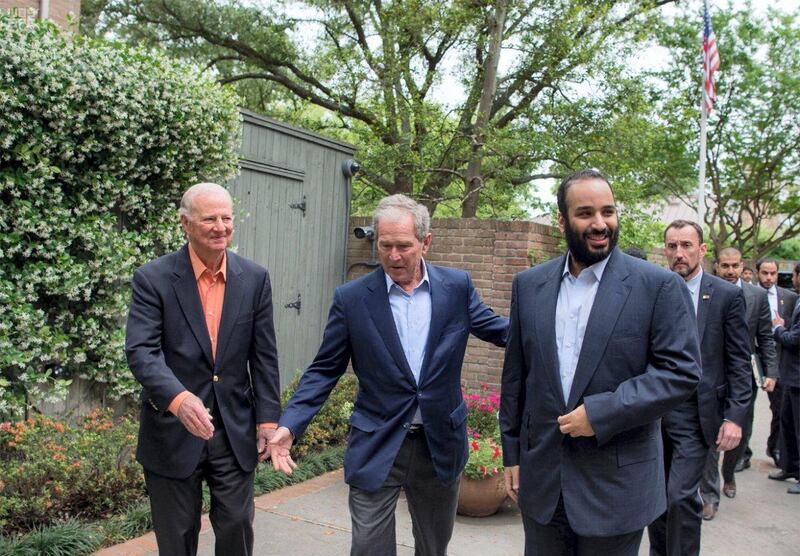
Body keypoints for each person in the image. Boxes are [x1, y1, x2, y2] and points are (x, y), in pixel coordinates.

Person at [269, 194, 508, 556]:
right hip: (377, 441)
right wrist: (290, 424)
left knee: (434, 546)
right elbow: (323, 370)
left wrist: (551, 329)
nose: (394, 256)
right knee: (368, 548)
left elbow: (501, 331)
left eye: (404, 246)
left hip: (439, 443)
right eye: (385, 246)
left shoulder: (456, 288)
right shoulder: (352, 299)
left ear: (425, 243)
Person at [500, 169, 701, 556]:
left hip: (617, 490)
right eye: (585, 213)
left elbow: (681, 372)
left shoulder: (657, 286)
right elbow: (517, 378)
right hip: (544, 486)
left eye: (608, 212)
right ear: (562, 220)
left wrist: (602, 411)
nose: (599, 224)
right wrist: (513, 454)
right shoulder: (529, 286)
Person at [125, 183, 281, 556]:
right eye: (210, 218)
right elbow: (142, 351)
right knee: (177, 537)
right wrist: (178, 400)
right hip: (172, 431)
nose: (221, 227)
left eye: (227, 218)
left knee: (237, 528)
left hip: (234, 432)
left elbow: (264, 356)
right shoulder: (153, 279)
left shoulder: (254, 278)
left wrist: (268, 421)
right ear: (185, 223)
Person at [649, 221, 751, 552]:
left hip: (696, 415)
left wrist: (735, 417)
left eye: (686, 245)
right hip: (654, 412)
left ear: (702, 249)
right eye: (672, 246)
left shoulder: (725, 296)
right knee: (657, 499)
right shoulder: (654, 289)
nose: (679, 253)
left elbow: (738, 361)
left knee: (680, 496)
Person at [700, 247, 776, 514]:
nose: (730, 271)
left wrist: (772, 373)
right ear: (716, 267)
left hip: (744, 373)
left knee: (739, 430)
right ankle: (709, 494)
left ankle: (729, 473)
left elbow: (765, 337)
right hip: (711, 374)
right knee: (709, 433)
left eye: (734, 266)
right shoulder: (705, 291)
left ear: (742, 265)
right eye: (724, 266)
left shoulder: (756, 295)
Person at [756, 258, 798, 469]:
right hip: (752, 360)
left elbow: (790, 330)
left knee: (781, 410)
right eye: (765, 273)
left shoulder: (789, 298)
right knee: (743, 411)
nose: (769, 278)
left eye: (773, 273)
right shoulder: (746, 294)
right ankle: (741, 454)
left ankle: (776, 449)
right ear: (757, 272)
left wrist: (780, 330)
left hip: (780, 361)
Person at [769, 271, 800, 494]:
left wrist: (778, 328)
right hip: (790, 376)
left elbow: (794, 339)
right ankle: (789, 468)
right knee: (786, 423)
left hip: (798, 378)